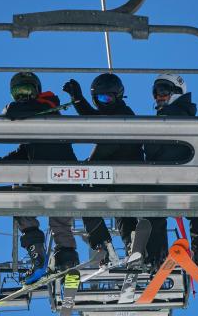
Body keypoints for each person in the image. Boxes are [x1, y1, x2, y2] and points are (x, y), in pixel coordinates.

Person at [0, 72, 79, 284]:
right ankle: (46, 256)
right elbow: (25, 151)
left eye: (27, 91)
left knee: (58, 213)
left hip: (60, 176)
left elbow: (11, 111)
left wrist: (13, 108)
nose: (22, 97)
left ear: (37, 91)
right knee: (20, 198)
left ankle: (66, 256)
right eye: (18, 93)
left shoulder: (47, 107)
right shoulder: (34, 114)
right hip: (46, 178)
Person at [62, 74, 143, 261]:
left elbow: (107, 143)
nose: (103, 103)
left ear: (118, 96)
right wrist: (78, 99)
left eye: (107, 98)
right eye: (98, 99)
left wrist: (89, 166)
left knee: (124, 209)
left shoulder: (124, 116)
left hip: (128, 173)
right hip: (110, 176)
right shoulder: (107, 116)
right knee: (88, 201)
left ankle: (131, 242)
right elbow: (93, 119)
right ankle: (103, 243)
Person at [144, 74, 198, 279]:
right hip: (192, 182)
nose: (159, 97)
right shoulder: (190, 117)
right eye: (156, 92)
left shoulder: (167, 118)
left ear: (177, 92)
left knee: (153, 211)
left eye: (164, 91)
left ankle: (155, 259)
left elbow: (152, 149)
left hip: (166, 181)